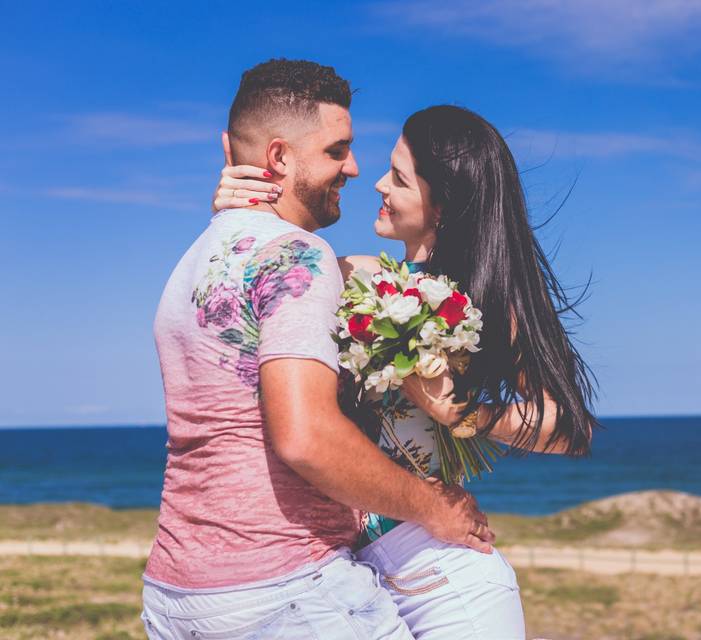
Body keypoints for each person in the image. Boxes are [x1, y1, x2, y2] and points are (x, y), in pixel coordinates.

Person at [213, 104, 598, 639]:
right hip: (347, 579)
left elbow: (567, 428)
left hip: (444, 575)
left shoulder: (487, 302)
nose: (376, 184)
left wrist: (459, 412)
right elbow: (266, 275)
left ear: (442, 207)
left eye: (397, 178)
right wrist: (242, 212)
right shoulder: (352, 276)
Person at [142, 60, 493, 640]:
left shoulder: (193, 258)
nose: (355, 169)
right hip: (284, 592)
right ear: (279, 158)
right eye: (338, 150)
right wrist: (436, 510)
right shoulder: (299, 257)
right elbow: (306, 437)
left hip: (177, 593)